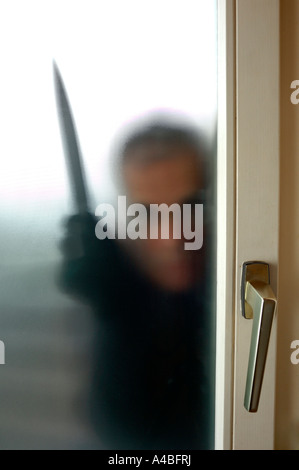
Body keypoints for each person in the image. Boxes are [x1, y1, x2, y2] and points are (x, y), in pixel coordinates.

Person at [58, 116, 215, 450]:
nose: (173, 238)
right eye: (148, 214)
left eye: (193, 207)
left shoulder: (240, 274)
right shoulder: (118, 282)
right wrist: (115, 316)